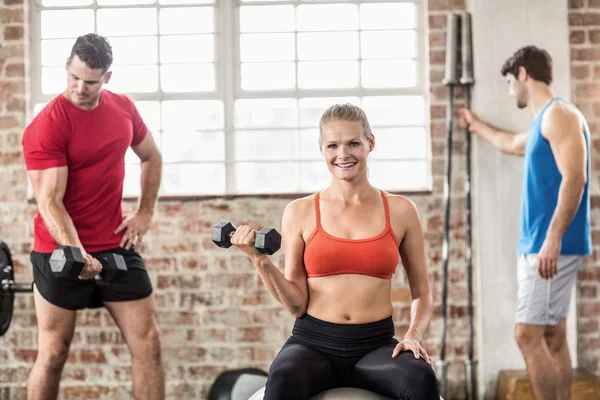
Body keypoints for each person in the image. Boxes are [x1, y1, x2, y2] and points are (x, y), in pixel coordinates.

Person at [230, 103, 439, 399]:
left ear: (370, 143)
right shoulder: (299, 212)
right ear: (321, 149)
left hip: (376, 347)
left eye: (353, 143)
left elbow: (423, 293)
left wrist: (413, 337)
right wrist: (258, 259)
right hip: (312, 344)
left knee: (420, 378)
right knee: (283, 378)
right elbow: (296, 305)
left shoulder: (402, 210)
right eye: (333, 145)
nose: (343, 154)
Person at [21, 33, 165, 400]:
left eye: (90, 81)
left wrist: (145, 212)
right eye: (74, 78)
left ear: (107, 78)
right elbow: (50, 200)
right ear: (67, 68)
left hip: (115, 243)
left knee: (148, 344)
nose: (80, 88)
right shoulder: (49, 123)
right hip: (59, 248)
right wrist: (77, 252)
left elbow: (151, 156)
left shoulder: (123, 109)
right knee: (53, 353)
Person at [458, 45, 591, 400]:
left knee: (526, 335)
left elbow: (574, 177)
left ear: (522, 74)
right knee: (552, 336)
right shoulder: (543, 122)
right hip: (545, 243)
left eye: (508, 82)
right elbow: (509, 143)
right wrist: (476, 126)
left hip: (548, 246)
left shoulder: (559, 114)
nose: (509, 91)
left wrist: (552, 237)